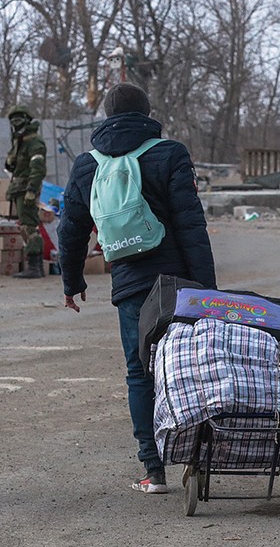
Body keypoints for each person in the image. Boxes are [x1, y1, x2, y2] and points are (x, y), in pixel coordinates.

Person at [58, 83, 217, 494]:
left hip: (129, 284)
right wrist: (209, 290)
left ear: (107, 116)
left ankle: (153, 469)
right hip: (178, 282)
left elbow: (71, 229)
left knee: (139, 372)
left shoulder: (86, 164)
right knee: (189, 365)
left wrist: (71, 282)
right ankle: (197, 458)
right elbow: (190, 225)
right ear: (147, 114)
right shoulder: (169, 153)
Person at [6, 105, 47, 279]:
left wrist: (31, 190)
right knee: (25, 226)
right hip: (18, 188)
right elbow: (12, 166)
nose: (16, 123)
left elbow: (38, 169)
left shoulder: (34, 141)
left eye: (19, 119)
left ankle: (35, 267)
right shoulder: (19, 141)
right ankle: (34, 265)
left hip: (26, 189)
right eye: (13, 120)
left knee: (30, 226)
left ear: (27, 120)